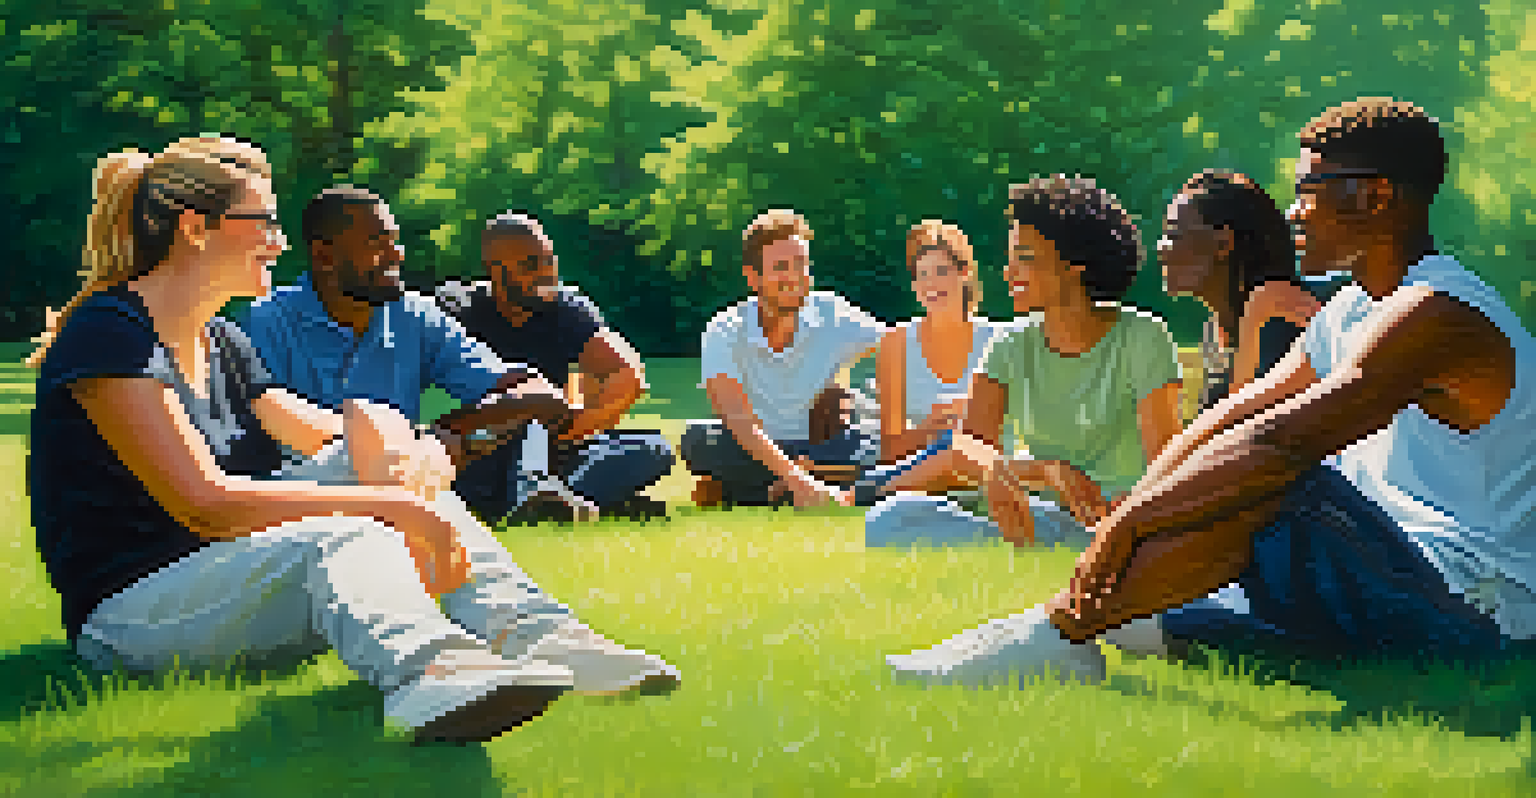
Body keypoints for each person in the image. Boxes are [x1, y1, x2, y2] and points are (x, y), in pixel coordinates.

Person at [27, 136, 679, 745]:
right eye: (265, 223)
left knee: (372, 457)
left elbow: (333, 436)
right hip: (133, 612)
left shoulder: (223, 342)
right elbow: (206, 504)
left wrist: (404, 449)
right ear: (195, 227)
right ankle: (430, 672)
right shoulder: (111, 333)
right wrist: (402, 510)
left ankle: (543, 638)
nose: (281, 245)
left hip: (233, 579)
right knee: (350, 525)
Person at [888, 97, 1533, 687]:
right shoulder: (1349, 312)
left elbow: (1280, 442)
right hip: (1382, 574)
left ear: (1376, 197)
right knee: (1143, 624)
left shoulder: (1437, 314)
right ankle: (1064, 632)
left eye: (1310, 190)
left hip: (1475, 611)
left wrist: (1135, 522)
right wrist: (1135, 511)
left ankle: (1055, 632)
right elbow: (1229, 418)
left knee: (1274, 477)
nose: (1293, 210)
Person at [863, 177, 1184, 550]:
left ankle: (1077, 548)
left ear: (1075, 266)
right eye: (1011, 258)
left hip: (1121, 515)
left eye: (1026, 259)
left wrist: (1128, 506)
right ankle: (1041, 546)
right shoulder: (1010, 344)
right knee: (890, 518)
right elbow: (969, 447)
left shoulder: (1143, 337)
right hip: (1040, 512)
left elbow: (1166, 461)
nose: (1009, 272)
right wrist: (1039, 471)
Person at [240, 186, 593, 523]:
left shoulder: (415, 315)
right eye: (377, 243)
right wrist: (420, 441)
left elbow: (532, 392)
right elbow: (260, 438)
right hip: (308, 490)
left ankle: (532, 490)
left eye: (394, 240)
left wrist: (437, 435)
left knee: (638, 448)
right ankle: (531, 490)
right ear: (324, 256)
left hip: (404, 477)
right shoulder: (267, 321)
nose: (397, 254)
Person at [436, 212, 674, 521]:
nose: (546, 272)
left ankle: (541, 499)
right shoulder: (457, 307)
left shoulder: (566, 308)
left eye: (549, 260)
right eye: (531, 264)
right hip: (482, 446)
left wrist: (572, 431)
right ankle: (575, 499)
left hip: (550, 447)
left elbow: (627, 375)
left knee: (653, 449)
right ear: (495, 270)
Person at [682, 209, 886, 508]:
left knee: (883, 441)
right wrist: (795, 476)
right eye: (780, 266)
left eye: (801, 264)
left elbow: (903, 345)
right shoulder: (725, 329)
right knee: (698, 441)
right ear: (754, 277)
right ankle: (813, 482)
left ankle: (750, 491)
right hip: (752, 447)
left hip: (824, 447)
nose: (793, 276)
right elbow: (738, 420)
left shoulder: (832, 312)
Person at [847, 220, 1003, 511]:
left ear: (964, 273)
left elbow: (1007, 435)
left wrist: (970, 414)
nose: (931, 284)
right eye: (922, 275)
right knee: (942, 452)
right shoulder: (896, 343)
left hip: (984, 467)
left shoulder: (997, 340)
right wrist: (929, 427)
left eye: (942, 272)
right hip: (918, 469)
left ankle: (863, 494)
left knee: (963, 451)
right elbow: (891, 451)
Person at [1158, 170, 1323, 410]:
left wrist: (1255, 321)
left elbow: (1249, 429)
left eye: (1173, 234)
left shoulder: (1284, 325)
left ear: (1224, 244)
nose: (1161, 248)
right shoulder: (1215, 331)